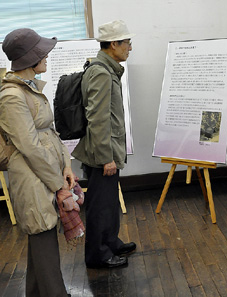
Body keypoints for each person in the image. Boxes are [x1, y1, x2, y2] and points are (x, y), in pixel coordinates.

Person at [0, 28, 75, 297]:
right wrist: (58, 184)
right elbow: (30, 147)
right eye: (42, 53)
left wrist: (66, 165)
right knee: (43, 240)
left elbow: (50, 134)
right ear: (30, 58)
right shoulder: (12, 96)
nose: (47, 57)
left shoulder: (28, 89)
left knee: (41, 242)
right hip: (32, 178)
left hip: (45, 173)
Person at [72, 20, 136, 268]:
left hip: (107, 149)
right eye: (127, 42)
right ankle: (98, 255)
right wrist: (105, 157)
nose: (130, 47)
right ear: (113, 44)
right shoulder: (100, 72)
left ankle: (110, 242)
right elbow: (97, 119)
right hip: (102, 153)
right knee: (100, 205)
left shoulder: (107, 69)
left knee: (108, 201)